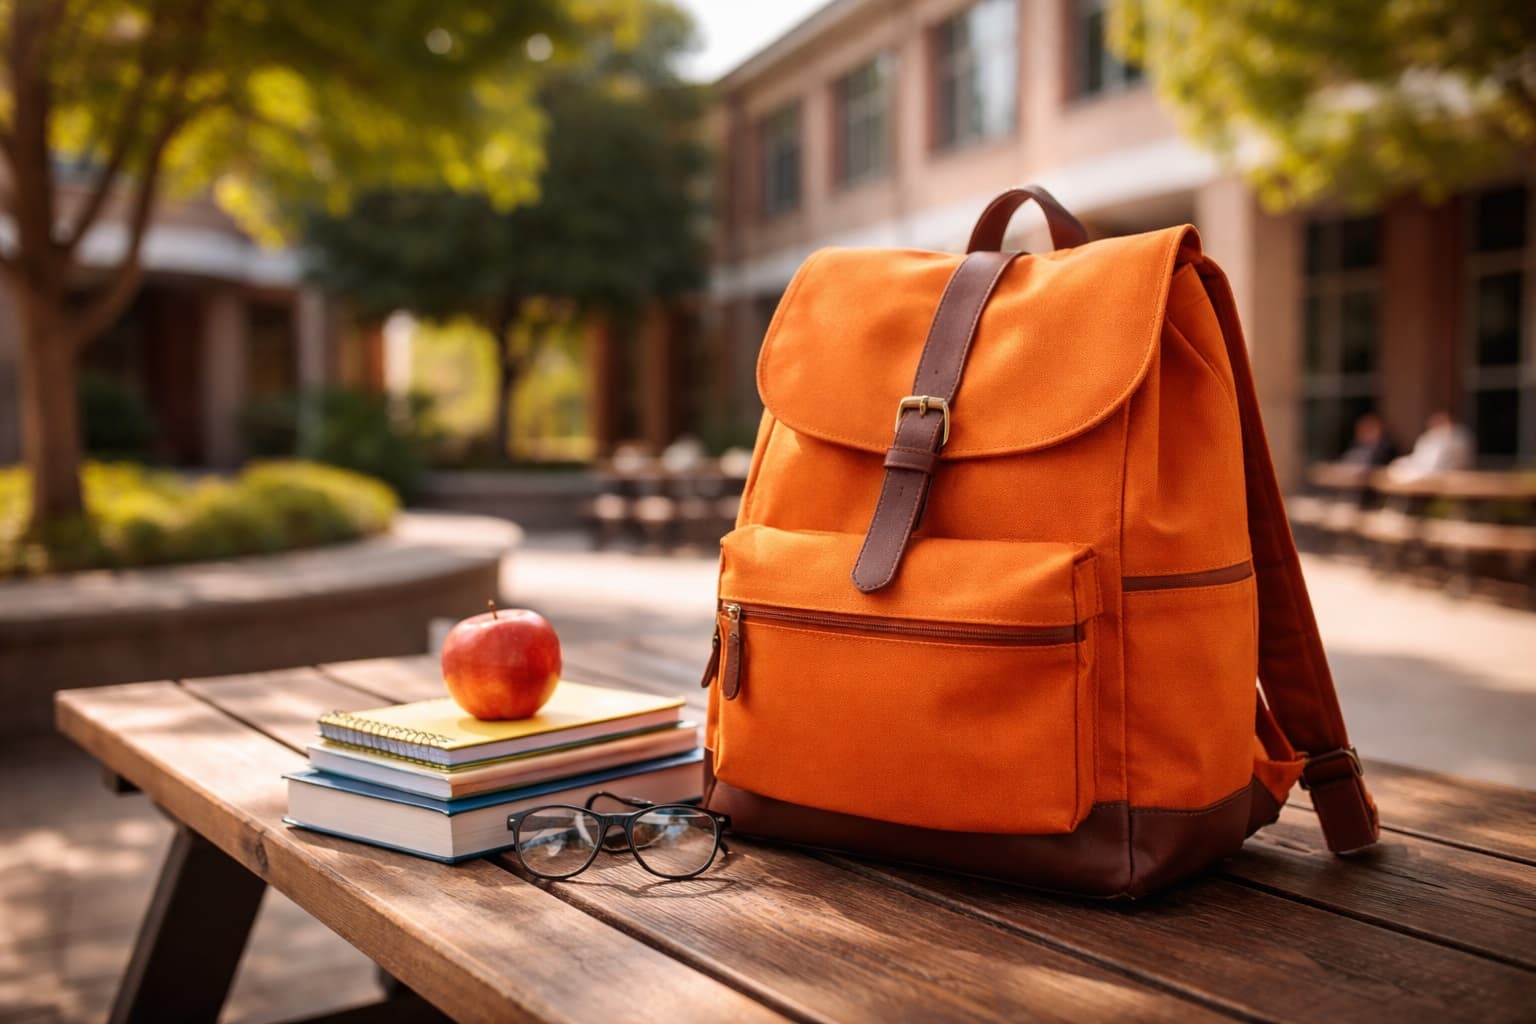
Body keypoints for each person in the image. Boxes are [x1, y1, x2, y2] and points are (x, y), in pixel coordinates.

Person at [1387, 411, 1475, 482]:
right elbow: (1419, 458)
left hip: (1449, 474)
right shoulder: (1430, 437)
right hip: (1429, 470)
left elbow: (1436, 464)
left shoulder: (1458, 437)